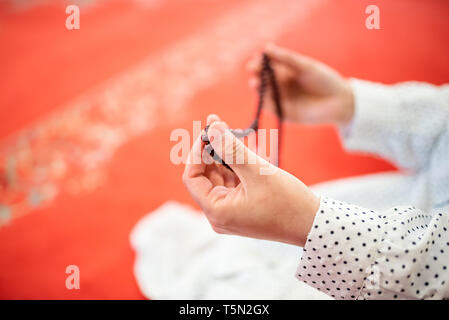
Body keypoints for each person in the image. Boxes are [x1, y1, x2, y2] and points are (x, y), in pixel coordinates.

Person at [182, 44, 449, 299]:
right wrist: (345, 103)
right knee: (222, 255)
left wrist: (304, 222)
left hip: (391, 269)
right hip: (393, 215)